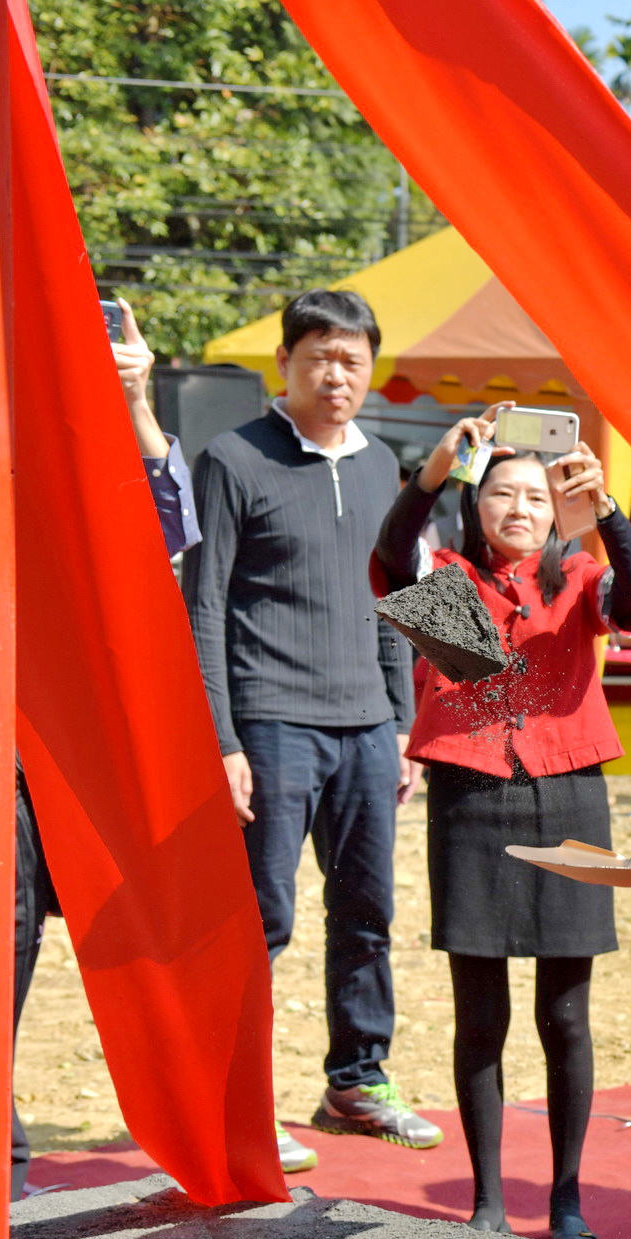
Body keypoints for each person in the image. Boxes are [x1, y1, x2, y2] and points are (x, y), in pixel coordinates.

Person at [372, 406, 631, 1239]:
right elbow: (391, 557)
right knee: (481, 1013)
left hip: (569, 797)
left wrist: (605, 509)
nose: (520, 508)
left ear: (553, 509)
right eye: (502, 492)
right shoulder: (448, 583)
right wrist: (433, 473)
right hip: (471, 800)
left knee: (565, 1015)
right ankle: (488, 1199)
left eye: (536, 496)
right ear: (478, 503)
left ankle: (567, 1195)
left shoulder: (578, 576)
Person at [183, 288, 439, 1167]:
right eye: (320, 357)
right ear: (284, 365)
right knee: (264, 918)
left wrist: (405, 722)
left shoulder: (386, 465)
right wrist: (221, 740)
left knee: (368, 911)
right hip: (269, 721)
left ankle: (357, 1080)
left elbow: (399, 597)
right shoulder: (230, 459)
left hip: (368, 725)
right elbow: (203, 605)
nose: (337, 375)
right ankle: (235, 1097)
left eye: (353, 359)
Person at [14, 300, 203, 1193]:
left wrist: (136, 403)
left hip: (56, 745)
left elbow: (170, 528)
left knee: (25, 935)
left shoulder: (87, 453)